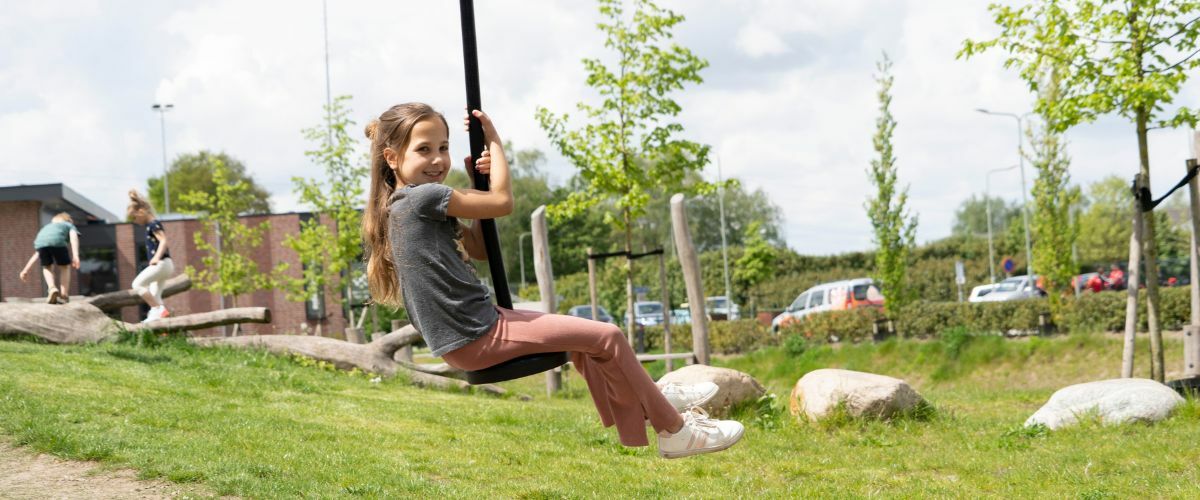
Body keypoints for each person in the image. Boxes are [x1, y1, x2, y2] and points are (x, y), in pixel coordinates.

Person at [361, 103, 743, 458]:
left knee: (588, 345)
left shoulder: (407, 205)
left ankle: (653, 400)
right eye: (424, 150)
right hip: (477, 334)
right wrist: (494, 143)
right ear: (392, 158)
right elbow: (503, 202)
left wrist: (478, 185)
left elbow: (478, 247)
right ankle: (674, 431)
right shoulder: (424, 198)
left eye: (443, 148)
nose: (438, 159)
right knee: (607, 336)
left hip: (475, 329)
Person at [127, 190, 174, 322]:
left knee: (137, 284)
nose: (135, 221)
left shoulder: (153, 224)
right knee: (155, 295)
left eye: (134, 217)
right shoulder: (150, 225)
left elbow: (163, 240)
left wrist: (156, 257)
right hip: (166, 265)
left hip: (161, 263)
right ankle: (161, 322)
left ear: (141, 211)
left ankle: (156, 309)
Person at [18, 212, 80, 304]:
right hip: (58, 242)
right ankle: (64, 295)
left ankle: (52, 288)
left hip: (40, 243)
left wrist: (25, 270)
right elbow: (73, 237)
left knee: (47, 267)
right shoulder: (68, 225)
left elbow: (37, 253)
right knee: (64, 267)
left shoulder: (46, 228)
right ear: (68, 220)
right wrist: (75, 255)